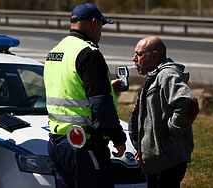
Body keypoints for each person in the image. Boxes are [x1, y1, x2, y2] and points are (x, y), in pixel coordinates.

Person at [44, 3, 127, 188]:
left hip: (57, 143)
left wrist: (108, 88)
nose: (101, 33)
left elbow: (69, 91)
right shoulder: (89, 53)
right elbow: (101, 104)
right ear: (94, 23)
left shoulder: (55, 52)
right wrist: (118, 138)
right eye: (102, 27)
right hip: (84, 145)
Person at [128, 36, 199, 188]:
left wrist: (173, 130)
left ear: (154, 56)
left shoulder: (166, 75)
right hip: (157, 158)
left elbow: (189, 103)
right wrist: (145, 150)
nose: (134, 58)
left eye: (139, 54)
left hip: (166, 160)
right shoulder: (154, 76)